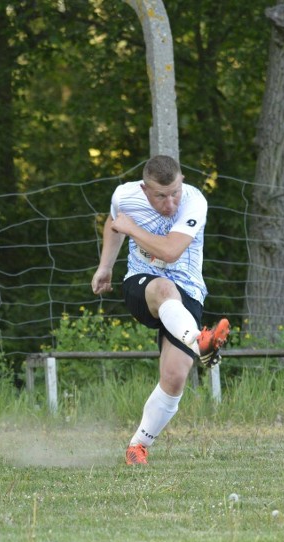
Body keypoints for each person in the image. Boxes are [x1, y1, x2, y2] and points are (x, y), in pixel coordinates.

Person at [91, 155, 230, 465]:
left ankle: (137, 446)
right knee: (165, 289)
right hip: (142, 285)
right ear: (144, 189)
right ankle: (200, 341)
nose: (170, 203)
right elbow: (114, 227)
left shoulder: (194, 201)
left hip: (188, 291)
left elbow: (170, 250)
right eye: (161, 196)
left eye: (175, 192)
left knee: (175, 376)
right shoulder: (124, 196)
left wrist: (132, 229)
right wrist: (105, 267)